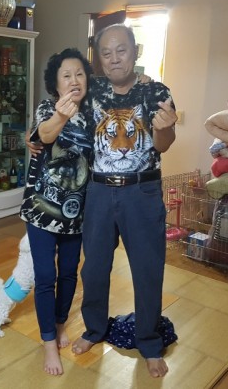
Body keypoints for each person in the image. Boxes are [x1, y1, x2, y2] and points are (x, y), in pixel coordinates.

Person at [70, 24, 177, 378]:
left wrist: (165, 127)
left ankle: (149, 342)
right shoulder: (92, 89)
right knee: (94, 268)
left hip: (141, 192)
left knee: (147, 269)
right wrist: (36, 134)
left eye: (122, 50)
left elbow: (163, 145)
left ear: (136, 51)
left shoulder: (156, 91)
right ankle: (94, 329)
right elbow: (58, 92)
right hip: (99, 191)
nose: (115, 58)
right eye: (106, 52)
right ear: (98, 59)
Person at [19, 48, 94, 376]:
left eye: (79, 74)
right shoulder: (47, 107)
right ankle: (48, 341)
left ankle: (60, 323)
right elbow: (44, 135)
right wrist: (61, 117)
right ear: (56, 83)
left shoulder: (94, 112)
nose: (74, 80)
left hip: (77, 213)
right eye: (67, 75)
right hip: (41, 209)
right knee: (46, 277)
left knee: (68, 273)